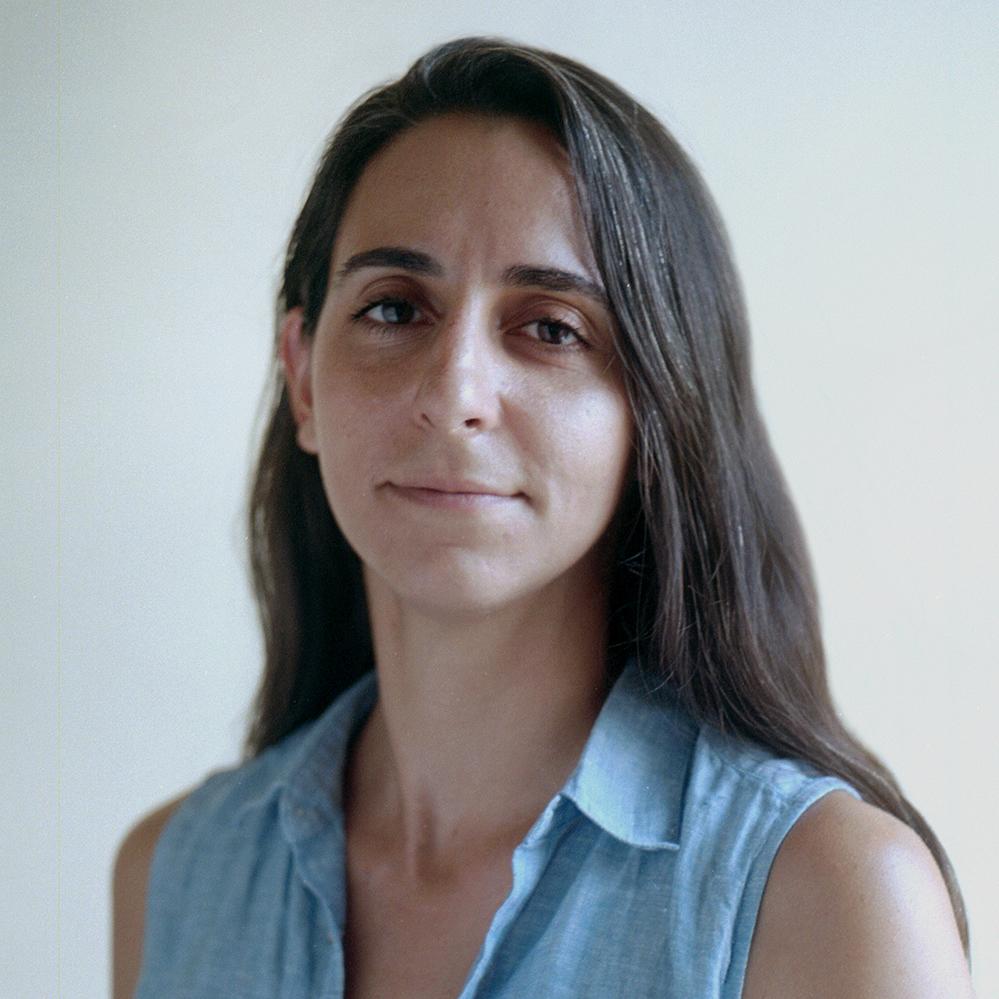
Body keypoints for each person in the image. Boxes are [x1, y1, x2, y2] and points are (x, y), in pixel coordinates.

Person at [113, 37, 975, 999]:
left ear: (657, 409)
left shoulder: (830, 900)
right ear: (302, 376)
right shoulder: (172, 879)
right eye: (395, 309)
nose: (456, 393)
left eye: (551, 328)